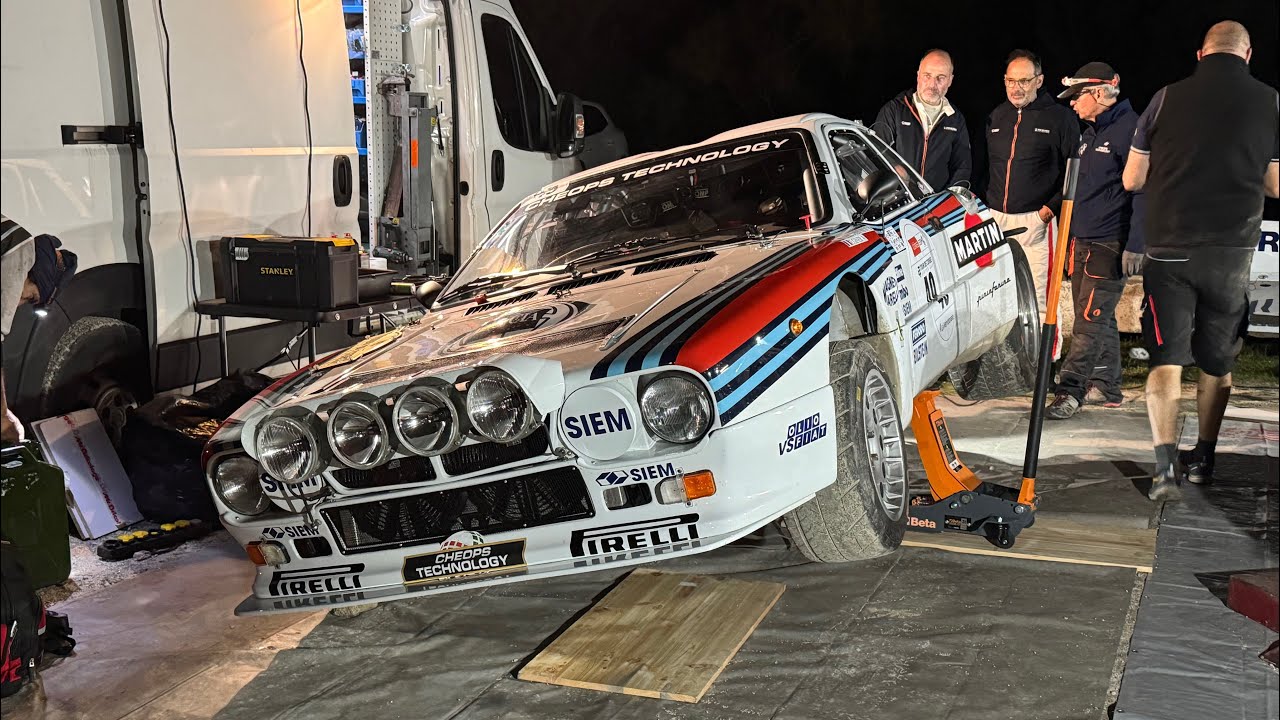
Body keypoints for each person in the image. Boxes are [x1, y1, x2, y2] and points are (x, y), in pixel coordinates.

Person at [1122, 21, 1280, 501]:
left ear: (1200, 53)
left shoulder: (1165, 98)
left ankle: (1165, 469)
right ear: (1248, 54)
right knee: (1216, 363)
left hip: (1170, 250)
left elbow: (1132, 178)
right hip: (1230, 253)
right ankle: (1204, 459)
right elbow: (1275, 186)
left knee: (1166, 360)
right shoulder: (1270, 102)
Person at [1045, 63, 1143, 420]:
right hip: (1082, 242)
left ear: (1099, 93)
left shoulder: (1130, 130)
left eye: (1077, 96)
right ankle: (1107, 384)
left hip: (1109, 244)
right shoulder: (1091, 134)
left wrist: (1136, 243)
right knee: (1101, 319)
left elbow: (1144, 191)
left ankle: (1070, 391)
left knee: (1088, 321)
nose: (1072, 104)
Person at [982, 50, 1080, 356]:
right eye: (1011, 80)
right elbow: (984, 167)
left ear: (1039, 80)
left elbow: (1074, 171)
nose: (1017, 87)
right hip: (996, 220)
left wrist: (1048, 211)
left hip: (1038, 222)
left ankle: (1044, 366)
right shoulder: (997, 116)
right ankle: (1005, 362)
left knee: (1040, 296)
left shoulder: (1060, 118)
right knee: (997, 292)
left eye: (1024, 80)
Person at [1, 214, 77, 444]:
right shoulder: (19, 251)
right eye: (31, 297)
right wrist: (3, 417)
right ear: (34, 274)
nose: (19, 302)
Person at [872, 49, 972, 190]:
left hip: (935, 204)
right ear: (918, 76)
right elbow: (876, 152)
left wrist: (948, 199)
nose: (932, 84)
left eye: (941, 78)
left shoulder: (956, 119)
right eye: (927, 75)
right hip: (898, 201)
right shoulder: (894, 110)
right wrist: (895, 173)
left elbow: (962, 166)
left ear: (950, 80)